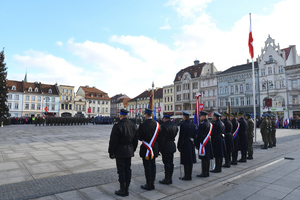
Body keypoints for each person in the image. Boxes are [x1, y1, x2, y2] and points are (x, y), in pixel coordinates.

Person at [108, 109, 138, 197]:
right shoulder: (133, 125)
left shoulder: (117, 126)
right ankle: (127, 188)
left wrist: (111, 152)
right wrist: (133, 149)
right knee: (128, 169)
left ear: (120, 115)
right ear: (127, 115)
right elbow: (135, 140)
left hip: (120, 151)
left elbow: (113, 141)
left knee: (121, 170)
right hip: (129, 150)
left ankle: (122, 189)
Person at [138, 108, 160, 190]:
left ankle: (148, 184)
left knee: (147, 166)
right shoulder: (157, 124)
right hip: (154, 148)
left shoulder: (143, 125)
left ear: (146, 115)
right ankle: (152, 182)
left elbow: (139, 137)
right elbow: (159, 137)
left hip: (146, 148)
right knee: (153, 165)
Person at [158, 115, 178, 185]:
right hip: (172, 145)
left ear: (164, 119)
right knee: (171, 162)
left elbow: (162, 139)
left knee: (166, 163)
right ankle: (170, 178)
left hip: (166, 146)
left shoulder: (164, 127)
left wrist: (159, 148)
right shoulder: (175, 125)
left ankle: (167, 178)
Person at [177, 111, 196, 180]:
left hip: (185, 144)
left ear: (184, 117)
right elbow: (194, 135)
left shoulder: (183, 125)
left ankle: (186, 175)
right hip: (191, 143)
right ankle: (189, 175)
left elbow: (181, 136)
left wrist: (179, 146)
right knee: (190, 160)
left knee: (186, 160)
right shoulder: (192, 125)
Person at [195, 111, 213, 177]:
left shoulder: (202, 124)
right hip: (208, 142)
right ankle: (207, 171)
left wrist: (197, 144)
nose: (200, 117)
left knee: (204, 158)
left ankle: (204, 172)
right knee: (207, 157)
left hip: (203, 143)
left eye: (201, 116)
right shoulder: (210, 123)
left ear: (204, 116)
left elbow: (199, 135)